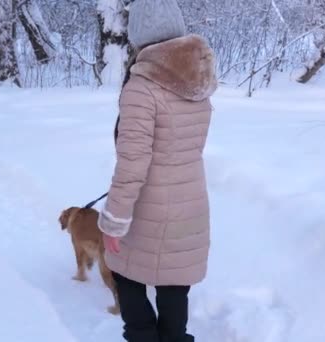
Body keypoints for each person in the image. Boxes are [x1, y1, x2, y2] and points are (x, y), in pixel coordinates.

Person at [96, 0, 218, 341]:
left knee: (126, 274)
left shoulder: (141, 88)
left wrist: (114, 220)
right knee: (175, 286)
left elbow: (133, 162)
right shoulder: (198, 79)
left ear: (138, 34)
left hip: (150, 209)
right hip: (190, 201)